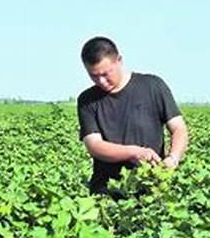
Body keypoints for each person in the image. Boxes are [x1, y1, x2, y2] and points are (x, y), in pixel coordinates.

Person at [77, 36, 189, 195]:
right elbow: (95, 146)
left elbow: (178, 128)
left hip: (151, 187)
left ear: (119, 61)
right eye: (94, 76)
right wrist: (135, 152)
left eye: (106, 74)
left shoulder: (153, 86)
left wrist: (173, 158)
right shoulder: (87, 100)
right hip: (107, 191)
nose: (101, 81)